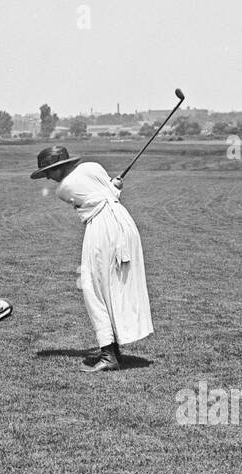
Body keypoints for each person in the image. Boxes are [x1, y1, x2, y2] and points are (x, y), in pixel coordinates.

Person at [31, 145, 153, 372]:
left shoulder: (63, 188)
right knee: (111, 285)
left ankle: (109, 354)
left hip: (102, 229)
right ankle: (112, 349)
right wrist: (114, 186)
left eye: (49, 170)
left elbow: (101, 196)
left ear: (60, 167)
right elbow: (108, 193)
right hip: (124, 224)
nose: (47, 176)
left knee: (92, 286)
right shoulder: (93, 167)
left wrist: (112, 188)